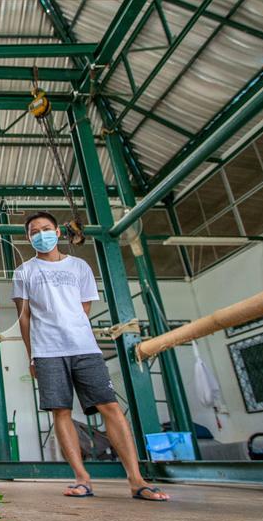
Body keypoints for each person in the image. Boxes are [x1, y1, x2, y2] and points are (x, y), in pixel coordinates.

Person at [12, 211, 169, 502]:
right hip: (47, 352)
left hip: (84, 348)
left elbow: (84, 308)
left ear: (58, 232)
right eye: (34, 232)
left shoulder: (80, 266)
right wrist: (31, 356)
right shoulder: (24, 271)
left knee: (110, 407)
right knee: (60, 412)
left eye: (46, 229)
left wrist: (71, 330)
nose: (40, 234)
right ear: (28, 238)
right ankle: (82, 479)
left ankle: (136, 480)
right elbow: (24, 317)